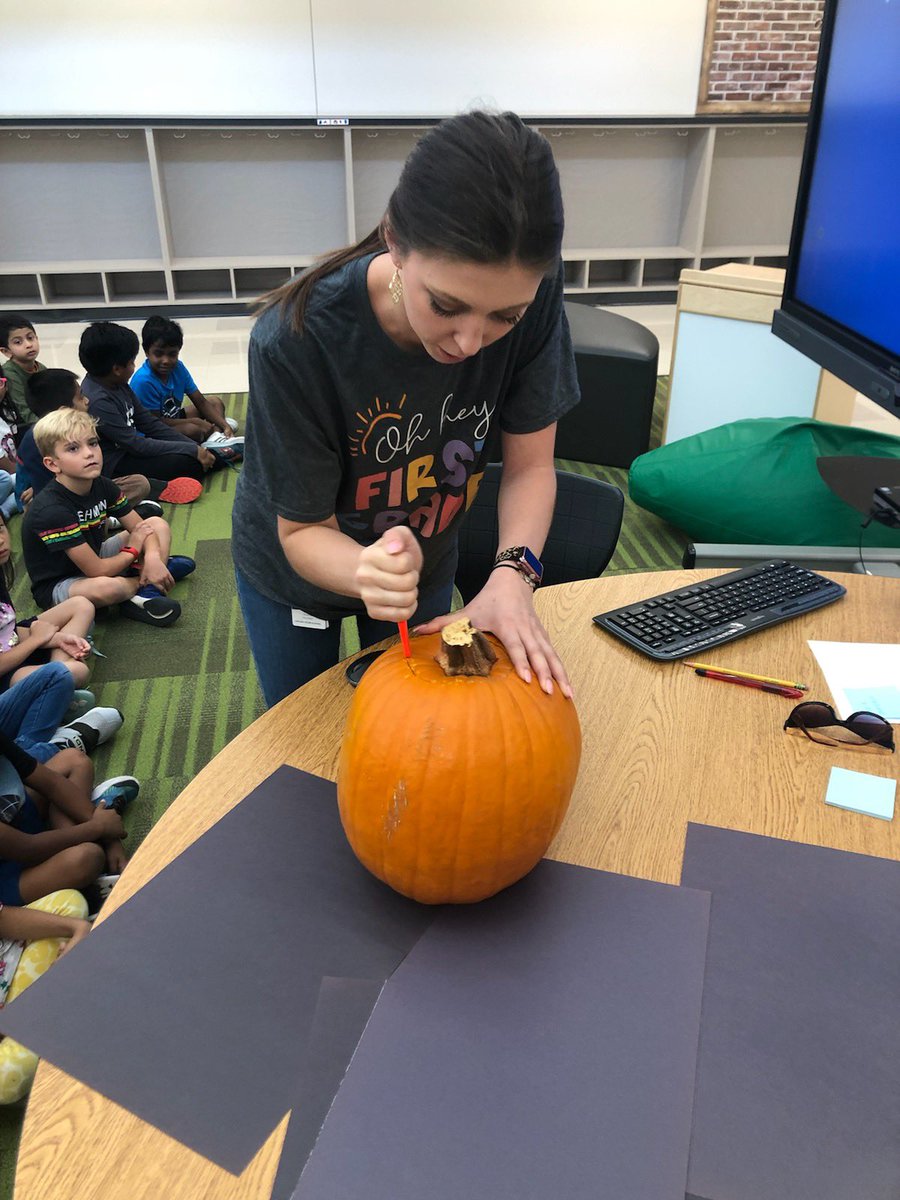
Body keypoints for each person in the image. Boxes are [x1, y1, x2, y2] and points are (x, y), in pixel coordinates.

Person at [232, 111, 580, 707]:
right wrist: (366, 570)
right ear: (395, 241)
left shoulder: (535, 287)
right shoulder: (295, 339)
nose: (470, 343)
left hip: (425, 556)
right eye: (445, 305)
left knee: (420, 722)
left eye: (506, 317)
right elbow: (303, 531)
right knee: (300, 725)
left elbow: (530, 467)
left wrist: (512, 573)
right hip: (295, 570)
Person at [22, 409, 196, 628]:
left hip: (97, 556)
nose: (89, 453)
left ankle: (146, 588)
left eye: (93, 443)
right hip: (62, 582)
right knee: (107, 587)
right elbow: (96, 571)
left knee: (156, 524)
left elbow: (142, 527)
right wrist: (134, 550)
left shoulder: (102, 485)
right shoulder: (51, 509)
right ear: (52, 464)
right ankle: (149, 580)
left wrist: (152, 557)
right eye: (73, 448)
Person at [79, 321, 218, 485]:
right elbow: (135, 444)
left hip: (131, 449)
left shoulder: (117, 383)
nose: (134, 366)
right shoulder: (98, 401)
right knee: (186, 463)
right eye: (131, 362)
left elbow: (149, 423)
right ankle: (219, 456)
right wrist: (191, 450)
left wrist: (192, 446)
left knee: (192, 454)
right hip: (115, 463)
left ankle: (216, 454)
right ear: (117, 369)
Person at [18, 368, 164, 512]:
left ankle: (109, 513)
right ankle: (109, 517)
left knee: (139, 483)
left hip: (86, 488)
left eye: (92, 443)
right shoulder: (37, 440)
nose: (87, 400)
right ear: (64, 410)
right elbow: (43, 487)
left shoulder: (77, 428)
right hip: (63, 503)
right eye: (81, 397)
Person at [0, 889, 91, 1103]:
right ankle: (60, 995)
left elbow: (3, 919)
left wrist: (77, 929)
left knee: (70, 903)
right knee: (6, 1080)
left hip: (12, 966)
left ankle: (52, 1005)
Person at [130, 316, 242, 457]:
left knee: (215, 402)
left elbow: (200, 401)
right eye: (159, 354)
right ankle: (215, 437)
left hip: (173, 418)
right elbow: (154, 423)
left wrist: (224, 425)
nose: (166, 361)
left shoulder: (178, 368)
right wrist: (195, 421)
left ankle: (217, 435)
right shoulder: (143, 381)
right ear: (147, 352)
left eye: (172, 354)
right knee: (193, 429)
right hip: (152, 432)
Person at [0, 314, 42, 435]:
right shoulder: (9, 373)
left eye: (30, 338)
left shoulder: (40, 367)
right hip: (22, 428)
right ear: (6, 351)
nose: (28, 344)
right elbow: (24, 411)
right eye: (18, 342)